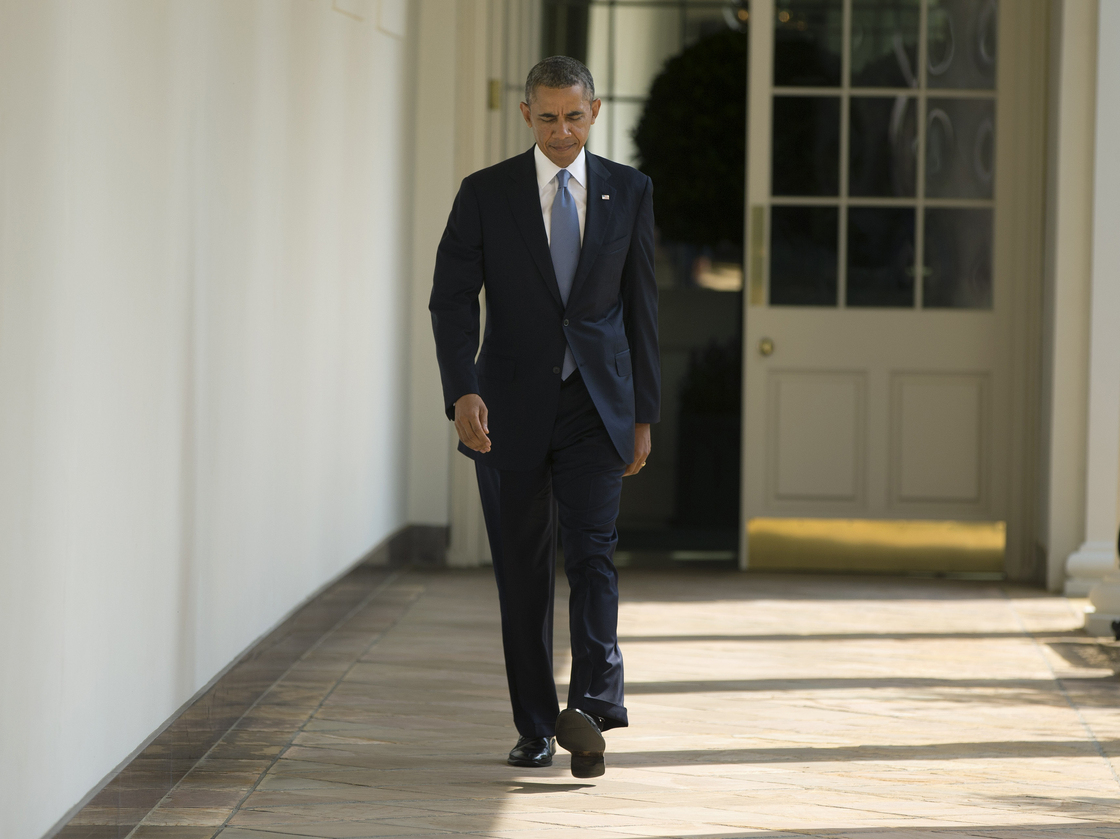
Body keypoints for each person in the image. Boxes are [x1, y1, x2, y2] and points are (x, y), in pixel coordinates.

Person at [429, 55, 659, 779]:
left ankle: (591, 705)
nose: (563, 131)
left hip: (598, 407)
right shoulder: (486, 194)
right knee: (523, 574)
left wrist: (643, 413)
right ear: (526, 115)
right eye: (549, 116)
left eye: (575, 116)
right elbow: (452, 300)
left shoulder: (629, 191)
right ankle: (534, 724)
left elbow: (643, 308)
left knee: (593, 555)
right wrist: (463, 390)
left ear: (595, 113)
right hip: (506, 409)